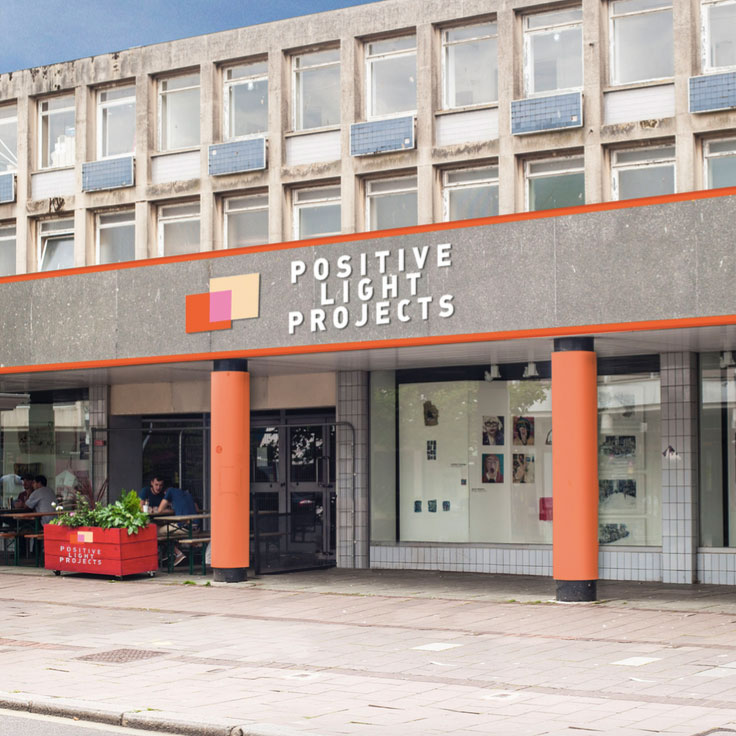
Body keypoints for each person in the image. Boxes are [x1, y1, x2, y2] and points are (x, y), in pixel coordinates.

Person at [157, 487, 200, 567]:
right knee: (169, 531)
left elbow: (160, 510)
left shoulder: (170, 491)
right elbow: (197, 510)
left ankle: (177, 553)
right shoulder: (187, 494)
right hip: (196, 528)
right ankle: (167, 554)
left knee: (157, 531)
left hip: (185, 528)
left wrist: (172, 510)